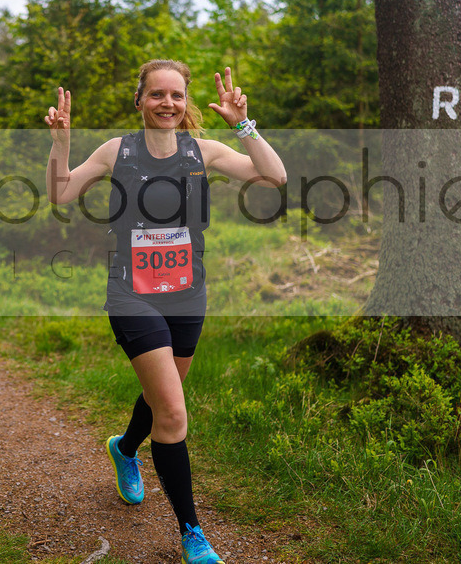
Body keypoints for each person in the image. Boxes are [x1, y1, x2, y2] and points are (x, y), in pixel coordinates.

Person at [44, 59, 286, 564]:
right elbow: (61, 193)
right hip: (131, 292)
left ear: (186, 102)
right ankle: (192, 532)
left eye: (177, 95)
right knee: (173, 412)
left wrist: (243, 125)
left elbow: (274, 176)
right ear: (140, 100)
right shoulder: (118, 150)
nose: (168, 104)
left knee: (163, 397)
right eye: (157, 95)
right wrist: (61, 141)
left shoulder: (205, 151)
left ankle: (125, 448)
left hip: (186, 292)